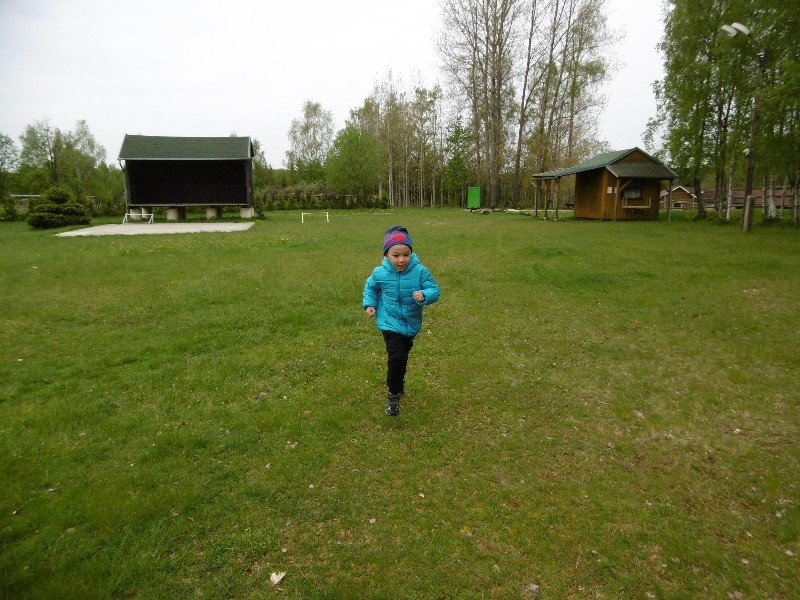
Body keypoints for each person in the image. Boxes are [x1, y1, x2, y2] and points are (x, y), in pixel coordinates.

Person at [363, 225, 440, 416]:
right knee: (397, 356)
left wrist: (425, 295)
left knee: (402, 356)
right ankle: (393, 394)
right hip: (389, 321)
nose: (401, 260)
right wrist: (370, 304)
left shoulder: (420, 271)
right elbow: (370, 287)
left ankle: (399, 381)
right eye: (395, 255)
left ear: (411, 253)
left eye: (406, 254)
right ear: (386, 255)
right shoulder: (380, 273)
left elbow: (434, 290)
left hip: (411, 323)